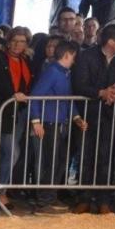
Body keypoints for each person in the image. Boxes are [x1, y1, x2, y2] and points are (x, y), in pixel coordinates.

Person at [71, 22, 115, 214]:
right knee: (86, 156)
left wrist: (113, 93)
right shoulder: (87, 56)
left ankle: (104, 200)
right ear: (111, 41)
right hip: (88, 114)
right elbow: (79, 85)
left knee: (107, 157)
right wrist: (100, 92)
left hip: (113, 117)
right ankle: (84, 198)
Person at [28, 41, 87, 212]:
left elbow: (67, 99)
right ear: (67, 55)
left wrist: (76, 118)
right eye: (73, 57)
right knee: (52, 162)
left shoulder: (61, 72)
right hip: (51, 122)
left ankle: (49, 197)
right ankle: (44, 200)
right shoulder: (53, 72)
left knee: (59, 161)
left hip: (59, 122)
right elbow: (36, 96)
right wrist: (36, 121)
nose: (74, 61)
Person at [0, 27, 33, 208]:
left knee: (8, 152)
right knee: (11, 152)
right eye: (14, 40)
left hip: (18, 112)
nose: (17, 44)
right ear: (8, 40)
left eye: (21, 41)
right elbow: (0, 83)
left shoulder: (26, 60)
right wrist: (13, 94)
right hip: (2, 112)